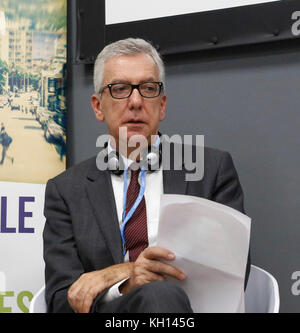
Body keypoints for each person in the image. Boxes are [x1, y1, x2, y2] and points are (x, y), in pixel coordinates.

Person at [43, 38, 250, 313]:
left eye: (148, 88)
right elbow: (60, 300)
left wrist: (120, 272)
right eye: (120, 89)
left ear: (162, 105)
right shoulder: (66, 191)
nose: (136, 101)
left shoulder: (212, 171)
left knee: (161, 298)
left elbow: (232, 272)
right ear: (97, 106)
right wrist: (126, 281)